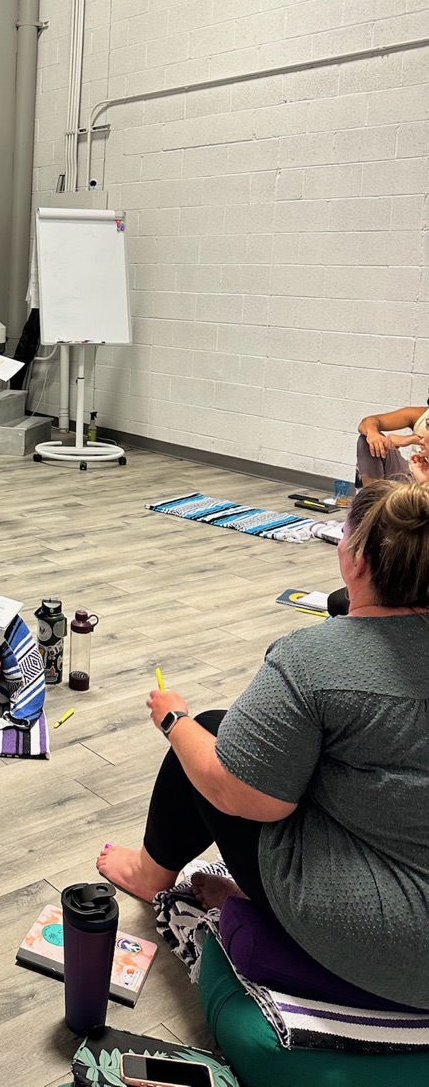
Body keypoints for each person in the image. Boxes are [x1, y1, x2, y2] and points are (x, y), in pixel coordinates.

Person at [95, 466, 429, 1009]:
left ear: (357, 560)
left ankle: (150, 872)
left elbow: (239, 794)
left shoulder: (311, 658)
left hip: (395, 942)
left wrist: (174, 722)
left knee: (209, 734)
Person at [356, 400, 429, 483]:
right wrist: (372, 433)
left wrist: (410, 439)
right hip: (413, 475)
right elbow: (367, 422)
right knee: (368, 441)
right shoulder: (421, 414)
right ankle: (372, 493)